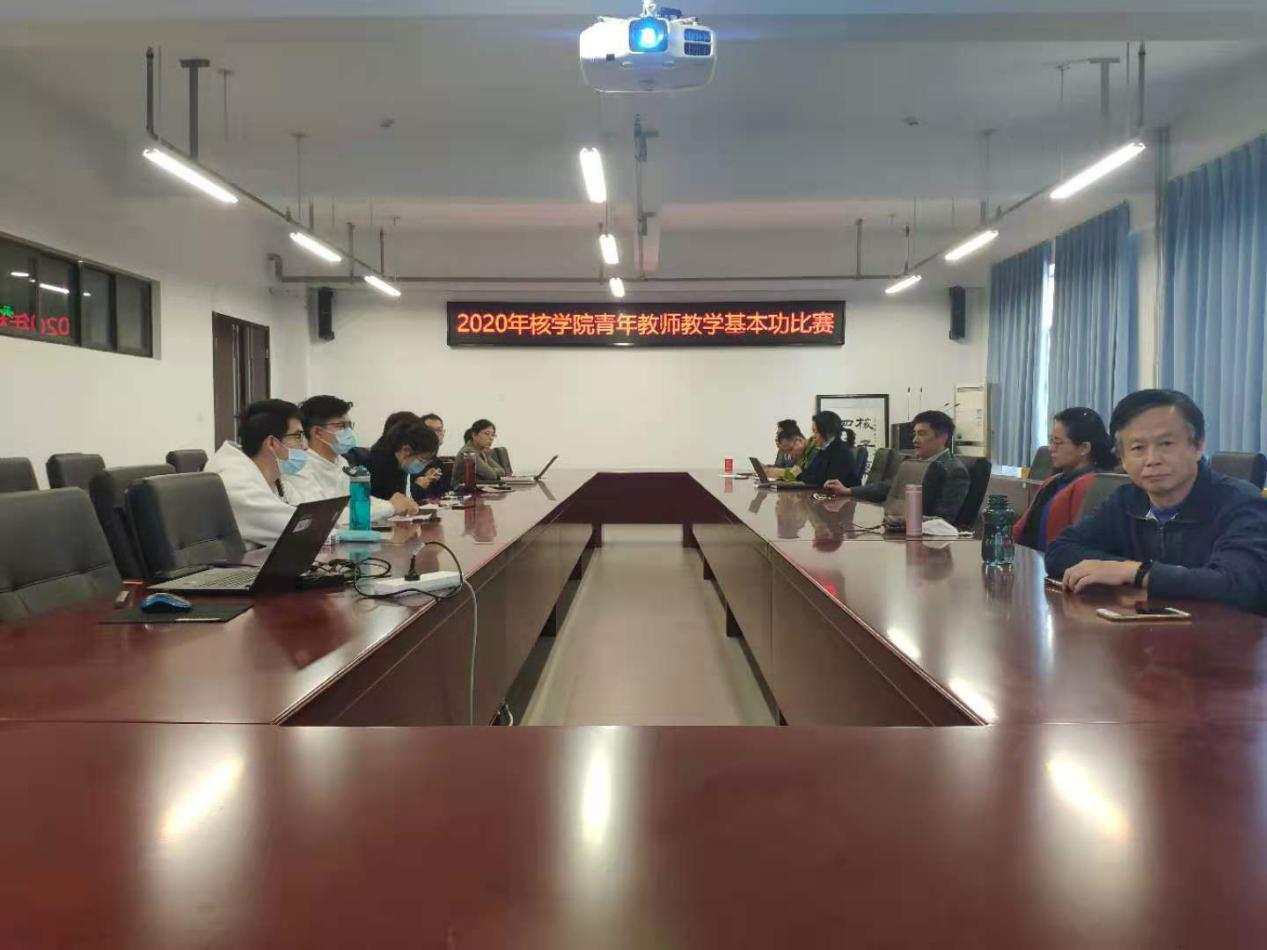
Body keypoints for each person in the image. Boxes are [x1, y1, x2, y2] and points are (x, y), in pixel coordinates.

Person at [1046, 389, 1267, 613]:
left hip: (1226, 632)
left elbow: (1239, 584)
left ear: (1198, 446)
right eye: (1138, 448)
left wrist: (1137, 572)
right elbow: (1059, 551)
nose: (1152, 460)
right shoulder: (1125, 500)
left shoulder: (1241, 501)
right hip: (1148, 629)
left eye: (1166, 444)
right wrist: (1122, 569)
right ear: (1122, 458)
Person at [283, 395, 418, 522]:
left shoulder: (341, 462)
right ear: (318, 432)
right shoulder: (299, 466)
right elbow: (324, 517)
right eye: (341, 426)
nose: (348, 432)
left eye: (349, 425)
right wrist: (389, 507)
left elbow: (360, 500)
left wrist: (397, 504)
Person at [824, 410, 969, 523]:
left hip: (924, 541)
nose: (915, 440)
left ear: (943, 437)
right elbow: (886, 487)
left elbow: (943, 520)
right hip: (897, 529)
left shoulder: (954, 471)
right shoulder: (914, 462)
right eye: (915, 434)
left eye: (922, 434)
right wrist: (848, 491)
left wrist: (900, 522)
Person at [205, 399, 305, 549]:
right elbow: (301, 531)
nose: (305, 446)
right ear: (272, 443)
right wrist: (337, 534)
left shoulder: (272, 477)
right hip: (239, 563)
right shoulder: (236, 482)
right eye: (298, 436)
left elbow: (307, 515)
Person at [1012, 408, 1117, 552]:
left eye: (1058, 442)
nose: (1051, 448)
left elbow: (1079, 546)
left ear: (1084, 448)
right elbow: (1020, 529)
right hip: (1033, 559)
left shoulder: (1091, 486)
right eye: (1051, 440)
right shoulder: (1053, 481)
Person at [366, 418, 441, 504]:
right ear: (406, 450)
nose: (423, 465)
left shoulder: (401, 465)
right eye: (422, 460)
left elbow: (405, 498)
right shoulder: (380, 464)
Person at [797, 411, 859, 488]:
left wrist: (799, 474)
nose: (813, 436)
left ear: (828, 432)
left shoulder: (840, 451)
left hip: (841, 495)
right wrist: (800, 474)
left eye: (816, 432)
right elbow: (810, 473)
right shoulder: (825, 449)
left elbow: (821, 480)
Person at [454, 419, 508, 484]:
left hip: (480, 487)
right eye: (487, 434)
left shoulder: (482, 452)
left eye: (493, 435)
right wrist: (490, 471)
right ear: (474, 435)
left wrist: (490, 470)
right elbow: (491, 475)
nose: (491, 438)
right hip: (463, 489)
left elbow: (502, 472)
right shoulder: (468, 451)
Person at [413, 412, 450, 499]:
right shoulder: (409, 460)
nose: (435, 434)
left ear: (443, 433)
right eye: (430, 430)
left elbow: (445, 493)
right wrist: (419, 485)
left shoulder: (437, 462)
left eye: (439, 430)